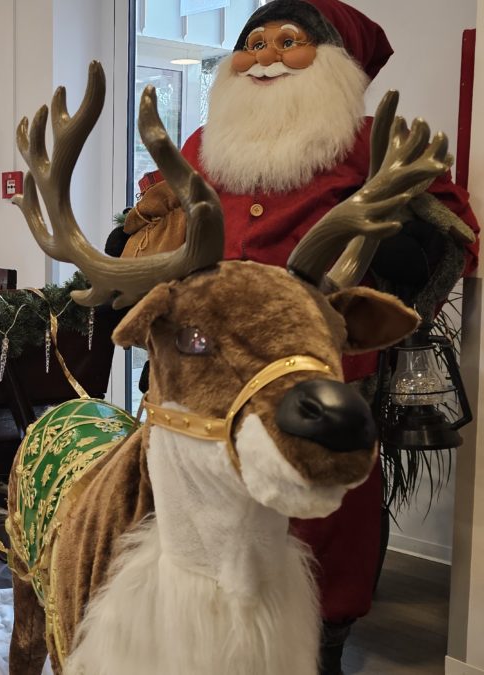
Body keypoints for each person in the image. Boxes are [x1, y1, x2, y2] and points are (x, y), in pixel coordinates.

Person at [173, 1, 479, 673]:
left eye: (289, 41)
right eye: (252, 43)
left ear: (339, 64)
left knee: (321, 520)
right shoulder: (203, 145)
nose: (266, 56)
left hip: (319, 368)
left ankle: (321, 646)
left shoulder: (375, 143)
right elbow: (157, 220)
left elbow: (455, 234)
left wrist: (388, 277)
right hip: (209, 376)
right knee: (205, 517)